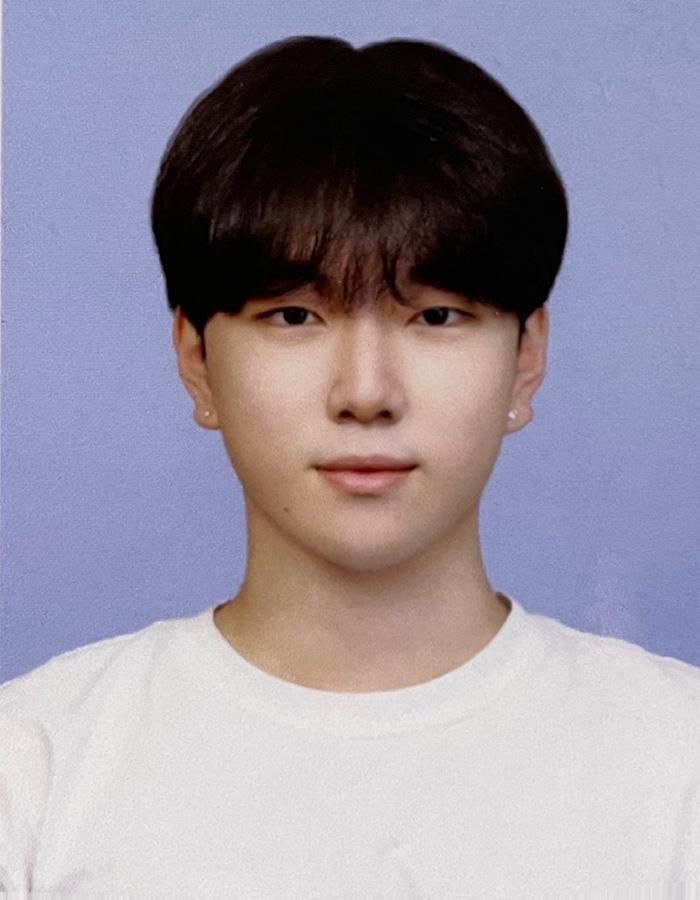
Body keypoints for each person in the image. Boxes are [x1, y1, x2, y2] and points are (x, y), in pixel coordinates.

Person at [1, 35, 699, 899]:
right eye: (295, 316)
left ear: (526, 359)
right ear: (196, 360)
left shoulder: (678, 764)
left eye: (436, 316)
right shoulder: (34, 769)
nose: (366, 393)